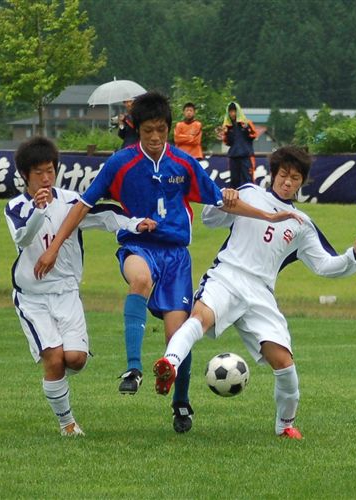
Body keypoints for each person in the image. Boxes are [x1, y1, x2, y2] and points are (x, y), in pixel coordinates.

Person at [34, 91, 303, 433]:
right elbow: (82, 206)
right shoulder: (120, 163)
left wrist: (269, 215)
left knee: (179, 334)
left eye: (161, 129)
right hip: (138, 245)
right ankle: (133, 368)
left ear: (169, 128)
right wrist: (54, 247)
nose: (155, 137)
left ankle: (181, 403)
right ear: (137, 128)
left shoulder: (183, 163)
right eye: (148, 130)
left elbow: (221, 201)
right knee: (140, 279)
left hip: (176, 257)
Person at [152, 146, 356, 439]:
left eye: (295, 178)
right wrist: (223, 201)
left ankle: (285, 426)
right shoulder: (250, 193)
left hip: (261, 292)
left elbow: (324, 265)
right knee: (199, 318)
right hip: (227, 275)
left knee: (284, 364)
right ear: (274, 174)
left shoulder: (301, 223)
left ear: (302, 181)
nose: (287, 182)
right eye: (283, 175)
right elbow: (209, 219)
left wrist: (353, 255)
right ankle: (169, 364)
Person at [5, 135, 156, 437]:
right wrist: (38, 210)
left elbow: (105, 215)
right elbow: (22, 237)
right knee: (54, 358)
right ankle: (67, 424)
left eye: (50, 170)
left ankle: (62, 370)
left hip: (67, 294)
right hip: (33, 298)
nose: (46, 178)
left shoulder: (70, 203)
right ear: (24, 175)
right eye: (39, 172)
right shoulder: (16, 207)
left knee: (75, 359)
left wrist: (135, 223)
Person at [220, 101, 257, 188]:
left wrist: (246, 128)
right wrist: (226, 132)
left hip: (246, 155)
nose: (232, 113)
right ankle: (235, 197)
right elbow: (227, 142)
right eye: (230, 111)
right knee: (234, 181)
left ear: (238, 111)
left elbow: (254, 135)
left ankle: (250, 196)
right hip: (234, 156)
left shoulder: (247, 123)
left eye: (234, 111)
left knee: (248, 180)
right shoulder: (227, 126)